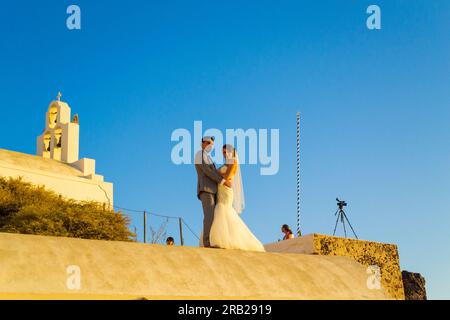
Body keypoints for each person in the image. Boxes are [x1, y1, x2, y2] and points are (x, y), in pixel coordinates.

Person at [208, 144, 265, 252]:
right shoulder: (226, 163)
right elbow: (221, 177)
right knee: (220, 211)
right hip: (220, 189)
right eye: (223, 152)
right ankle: (222, 238)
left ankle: (224, 240)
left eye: (225, 152)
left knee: (224, 210)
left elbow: (227, 176)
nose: (224, 154)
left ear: (231, 152)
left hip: (226, 191)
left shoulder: (234, 162)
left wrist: (216, 176)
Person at [195, 136, 232, 248]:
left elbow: (214, 172)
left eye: (212, 144)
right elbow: (207, 171)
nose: (211, 146)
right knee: (209, 216)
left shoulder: (209, 157)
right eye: (209, 143)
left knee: (215, 217)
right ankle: (207, 243)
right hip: (206, 189)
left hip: (214, 191)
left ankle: (213, 240)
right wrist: (222, 181)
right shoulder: (199, 155)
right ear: (203, 143)